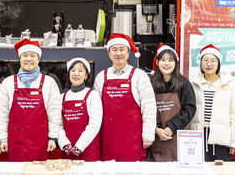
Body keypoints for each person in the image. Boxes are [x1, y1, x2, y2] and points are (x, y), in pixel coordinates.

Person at [0, 39, 62, 161]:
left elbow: (55, 113)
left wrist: (53, 137)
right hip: (15, 141)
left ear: (38, 58)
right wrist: (3, 138)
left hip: (41, 142)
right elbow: (1, 114)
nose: (28, 59)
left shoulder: (49, 82)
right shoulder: (8, 83)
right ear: (19, 58)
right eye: (25, 55)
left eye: (32, 55)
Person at [94, 33, 156, 161]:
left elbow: (149, 107)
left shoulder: (139, 75)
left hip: (134, 138)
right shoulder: (101, 77)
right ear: (109, 54)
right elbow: (95, 111)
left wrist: (148, 135)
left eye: (122, 49)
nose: (118, 53)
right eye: (114, 50)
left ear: (128, 53)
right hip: (108, 138)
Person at [189, 44, 235, 161]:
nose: (209, 64)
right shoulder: (193, 83)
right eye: (206, 60)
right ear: (200, 62)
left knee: (221, 174)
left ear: (218, 63)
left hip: (222, 137)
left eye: (213, 60)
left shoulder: (228, 84)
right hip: (198, 135)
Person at [148, 45, 197, 161]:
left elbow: (190, 108)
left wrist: (171, 127)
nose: (166, 64)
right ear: (157, 62)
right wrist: (156, 128)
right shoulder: (149, 83)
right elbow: (145, 109)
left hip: (177, 136)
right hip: (155, 136)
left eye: (170, 60)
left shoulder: (183, 83)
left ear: (175, 63)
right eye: (163, 60)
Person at [58, 58, 102, 161]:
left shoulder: (93, 95)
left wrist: (79, 147)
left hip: (88, 150)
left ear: (86, 75)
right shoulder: (62, 97)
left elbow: (94, 124)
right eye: (73, 70)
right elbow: (58, 125)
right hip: (67, 152)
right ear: (69, 74)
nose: (76, 74)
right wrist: (65, 145)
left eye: (80, 70)